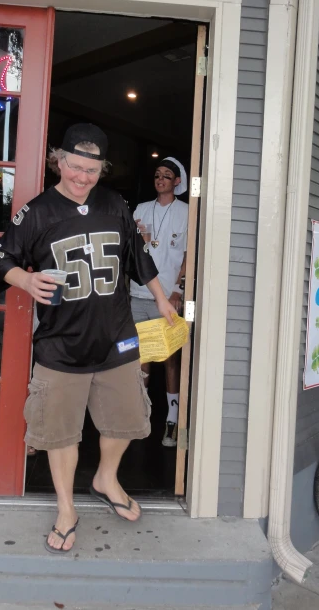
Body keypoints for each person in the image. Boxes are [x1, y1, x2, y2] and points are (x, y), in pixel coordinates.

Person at [0, 123, 175, 554]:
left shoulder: (114, 203)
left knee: (129, 418)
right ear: (59, 160)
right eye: (75, 166)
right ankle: (67, 507)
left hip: (118, 338)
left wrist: (162, 300)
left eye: (92, 170)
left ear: (101, 170)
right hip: (60, 343)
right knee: (59, 432)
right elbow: (0, 256)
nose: (82, 177)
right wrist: (26, 281)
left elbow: (138, 254)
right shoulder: (36, 212)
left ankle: (106, 477)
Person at [130, 158, 188, 448]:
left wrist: (179, 290)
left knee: (169, 358)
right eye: (157, 175)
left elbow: (189, 255)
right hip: (138, 293)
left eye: (167, 175)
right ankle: (140, 417)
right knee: (141, 357)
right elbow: (131, 249)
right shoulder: (141, 209)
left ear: (177, 181)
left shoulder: (187, 213)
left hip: (167, 296)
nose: (161, 179)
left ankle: (173, 420)